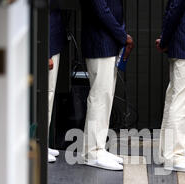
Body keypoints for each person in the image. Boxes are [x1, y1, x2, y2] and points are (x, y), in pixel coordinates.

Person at [80, 0, 134, 171]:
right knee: (99, 98)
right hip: (100, 42)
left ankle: (99, 148)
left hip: (108, 43)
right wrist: (122, 36)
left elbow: (115, 8)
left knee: (105, 97)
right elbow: (101, 10)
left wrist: (120, 36)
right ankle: (92, 153)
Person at [155, 0, 185, 172]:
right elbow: (175, 10)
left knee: (175, 100)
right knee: (183, 104)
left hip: (183, 43)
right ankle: (175, 155)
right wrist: (164, 40)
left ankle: (166, 151)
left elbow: (172, 10)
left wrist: (165, 39)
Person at [48, 8, 67, 163]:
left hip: (54, 41)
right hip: (48, 45)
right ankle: (38, 144)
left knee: (50, 95)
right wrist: (46, 53)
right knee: (46, 96)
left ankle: (42, 144)